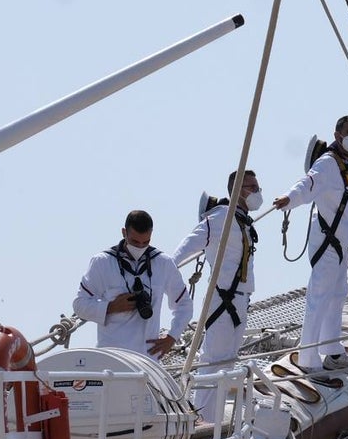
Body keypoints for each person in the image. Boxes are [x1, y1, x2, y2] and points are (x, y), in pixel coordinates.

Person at [273, 116, 348, 374]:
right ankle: (308, 360)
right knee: (319, 298)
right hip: (328, 242)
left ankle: (332, 350)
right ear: (337, 135)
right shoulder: (327, 163)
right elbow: (307, 184)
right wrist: (289, 198)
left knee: (337, 295)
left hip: (343, 243)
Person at [173, 171, 261, 417]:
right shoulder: (221, 217)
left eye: (258, 187)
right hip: (223, 300)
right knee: (213, 362)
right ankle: (202, 417)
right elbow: (190, 243)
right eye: (252, 187)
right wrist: (167, 269)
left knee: (227, 362)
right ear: (237, 191)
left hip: (241, 300)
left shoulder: (243, 221)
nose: (257, 192)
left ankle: (214, 419)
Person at [73, 210, 191, 360]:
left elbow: (184, 305)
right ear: (124, 233)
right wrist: (110, 307)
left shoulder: (163, 263)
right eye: (135, 242)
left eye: (146, 242)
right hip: (111, 359)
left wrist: (172, 337)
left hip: (147, 360)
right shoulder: (102, 262)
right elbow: (79, 305)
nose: (140, 247)